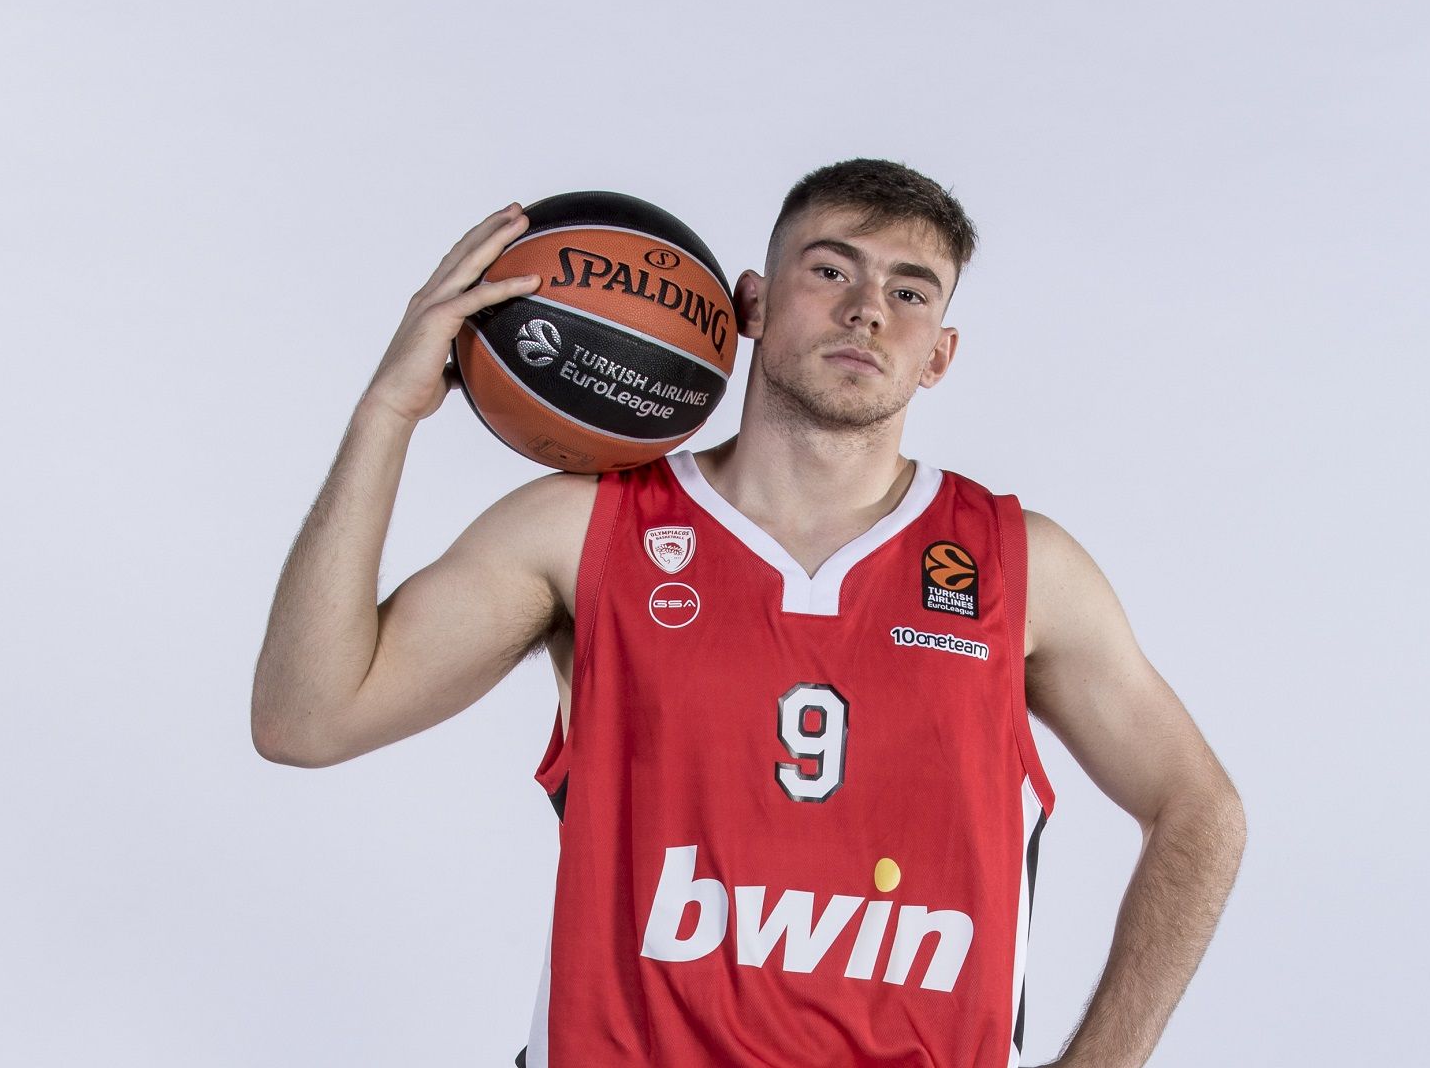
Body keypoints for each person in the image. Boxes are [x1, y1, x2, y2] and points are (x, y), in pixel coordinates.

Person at [251, 159, 1246, 1068]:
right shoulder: (586, 528)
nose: (866, 310)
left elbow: (1200, 811)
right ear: (753, 305)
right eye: (831, 270)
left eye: (909, 292)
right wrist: (385, 414)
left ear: (939, 355)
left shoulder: (1020, 565)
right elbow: (306, 719)